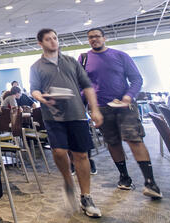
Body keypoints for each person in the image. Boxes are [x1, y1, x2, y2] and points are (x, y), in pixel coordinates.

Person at [30, 28, 103, 218]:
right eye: (48, 39)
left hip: (77, 114)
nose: (53, 42)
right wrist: (42, 98)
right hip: (53, 116)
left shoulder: (71, 62)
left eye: (55, 38)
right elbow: (34, 90)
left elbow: (87, 86)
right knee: (60, 152)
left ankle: (86, 196)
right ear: (40, 43)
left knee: (81, 155)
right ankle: (67, 180)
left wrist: (94, 110)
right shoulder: (36, 66)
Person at [81, 28, 160, 198]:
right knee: (113, 142)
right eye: (90, 37)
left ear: (104, 38)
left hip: (124, 106)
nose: (94, 39)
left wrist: (128, 96)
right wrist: (85, 106)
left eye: (97, 36)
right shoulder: (84, 58)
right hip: (100, 107)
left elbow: (137, 79)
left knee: (134, 139)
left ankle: (150, 181)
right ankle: (124, 176)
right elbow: (83, 85)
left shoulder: (120, 55)